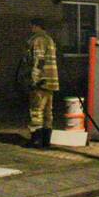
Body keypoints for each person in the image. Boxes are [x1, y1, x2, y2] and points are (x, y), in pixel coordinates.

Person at [25, 18, 59, 149]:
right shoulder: (50, 40)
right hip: (52, 80)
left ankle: (36, 140)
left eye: (32, 26)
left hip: (41, 82)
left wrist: (35, 79)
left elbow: (38, 60)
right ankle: (46, 140)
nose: (31, 29)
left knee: (36, 110)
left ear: (36, 26)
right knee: (48, 112)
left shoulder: (37, 40)